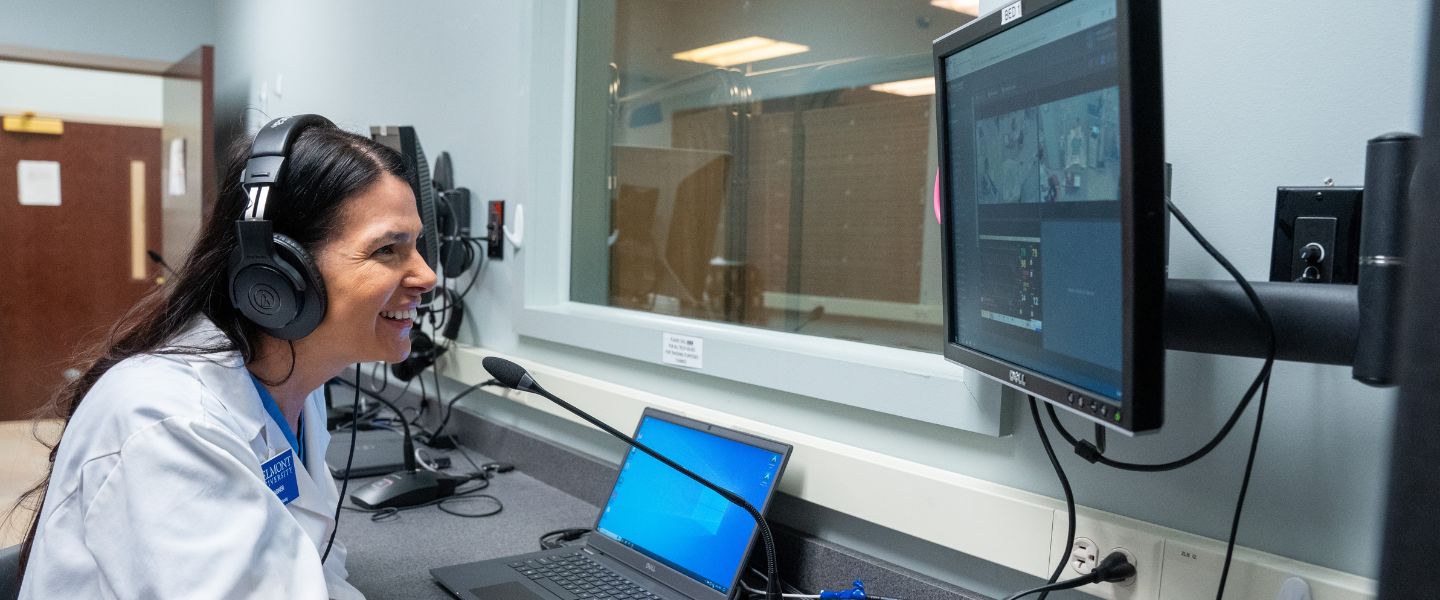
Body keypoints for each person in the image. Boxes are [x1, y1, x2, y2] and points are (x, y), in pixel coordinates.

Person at [13, 115, 436, 599]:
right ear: (274, 275)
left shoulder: (294, 385)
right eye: (387, 249)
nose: (426, 276)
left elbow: (309, 565)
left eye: (417, 245)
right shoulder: (168, 422)